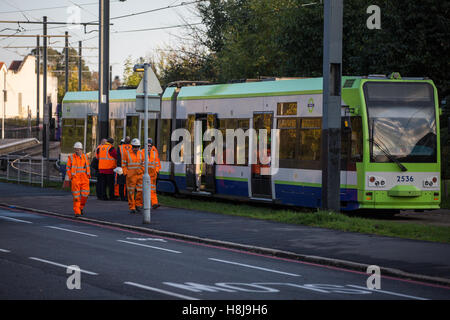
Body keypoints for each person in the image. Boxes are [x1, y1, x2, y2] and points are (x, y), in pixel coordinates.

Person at [66, 142, 91, 217]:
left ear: (81, 149)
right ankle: (77, 212)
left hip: (84, 179)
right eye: (76, 150)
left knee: (85, 195)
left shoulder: (85, 157)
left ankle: (81, 207)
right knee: (76, 197)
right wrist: (71, 177)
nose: (77, 151)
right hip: (75, 179)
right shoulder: (71, 157)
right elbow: (68, 168)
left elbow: (87, 167)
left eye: (79, 150)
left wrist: (88, 176)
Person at [122, 138, 144, 214]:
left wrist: (141, 171)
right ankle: (132, 207)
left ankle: (138, 205)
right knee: (131, 192)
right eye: (134, 146)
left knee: (140, 191)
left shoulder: (141, 153)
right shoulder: (126, 153)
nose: (136, 148)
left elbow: (144, 164)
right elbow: (123, 165)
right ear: (132, 146)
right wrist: (126, 173)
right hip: (130, 177)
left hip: (139, 175)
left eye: (137, 147)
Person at [146, 138, 161, 209]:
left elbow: (157, 163)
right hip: (144, 175)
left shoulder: (154, 153)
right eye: (147, 146)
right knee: (142, 191)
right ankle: (138, 204)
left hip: (153, 175)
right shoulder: (142, 152)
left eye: (150, 146)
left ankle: (154, 203)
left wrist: (157, 171)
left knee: (153, 190)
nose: (149, 147)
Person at [117, 136, 132, 201]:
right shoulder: (132, 147)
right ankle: (127, 197)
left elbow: (118, 157)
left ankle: (121, 196)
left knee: (121, 183)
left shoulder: (120, 147)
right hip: (129, 167)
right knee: (128, 182)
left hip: (120, 167)